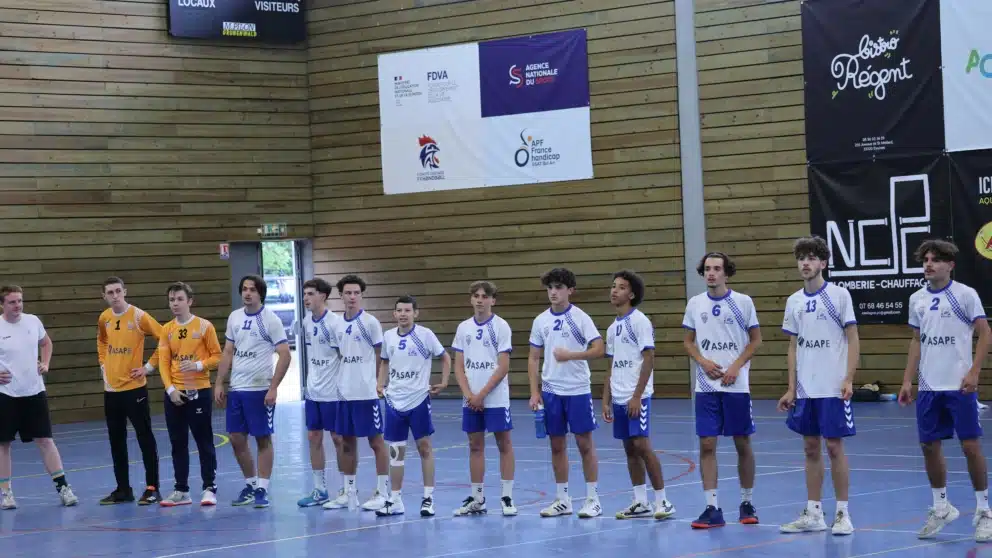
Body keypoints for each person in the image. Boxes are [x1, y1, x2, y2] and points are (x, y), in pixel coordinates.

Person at [898, 239, 992, 541]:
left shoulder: (965, 295)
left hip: (959, 386)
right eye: (925, 259)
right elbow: (917, 341)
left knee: (970, 446)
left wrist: (974, 371)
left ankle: (984, 511)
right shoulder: (916, 299)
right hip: (929, 387)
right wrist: (907, 380)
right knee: (929, 446)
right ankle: (941, 507)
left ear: (950, 265)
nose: (929, 264)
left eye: (936, 260)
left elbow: (985, 333)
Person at [777, 235, 858, 536]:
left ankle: (843, 514)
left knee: (834, 446)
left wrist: (848, 378)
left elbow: (853, 338)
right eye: (801, 258)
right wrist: (791, 387)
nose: (805, 263)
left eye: (811, 258)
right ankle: (814, 513)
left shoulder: (839, 296)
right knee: (810, 447)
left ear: (823, 263)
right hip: (806, 389)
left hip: (832, 387)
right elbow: (792, 347)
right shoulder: (794, 301)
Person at [682, 252, 762, 528]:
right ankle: (712, 507)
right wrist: (703, 362)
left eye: (717, 269)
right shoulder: (695, 303)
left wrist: (736, 367)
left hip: (736, 385)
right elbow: (688, 341)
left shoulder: (743, 302)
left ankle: (747, 501)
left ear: (727, 273)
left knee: (742, 442)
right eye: (707, 269)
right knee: (707, 443)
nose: (711, 273)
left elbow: (755, 340)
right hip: (706, 385)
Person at [527, 267, 604, 518]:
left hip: (577, 390)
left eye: (558, 287)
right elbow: (533, 358)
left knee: (584, 444)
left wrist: (571, 355)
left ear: (570, 290)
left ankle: (593, 499)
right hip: (551, 392)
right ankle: (563, 500)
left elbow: (599, 348)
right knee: (556, 446)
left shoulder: (580, 318)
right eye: (550, 288)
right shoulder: (540, 321)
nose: (553, 292)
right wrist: (534, 392)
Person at [603, 270, 675, 520]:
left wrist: (637, 395)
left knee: (642, 445)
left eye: (621, 287)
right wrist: (606, 399)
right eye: (613, 286)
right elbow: (611, 366)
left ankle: (663, 501)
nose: (614, 290)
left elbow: (649, 358)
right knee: (629, 449)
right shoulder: (612, 328)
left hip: (637, 396)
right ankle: (640, 501)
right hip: (619, 395)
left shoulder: (640, 321)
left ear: (632, 294)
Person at [214, 274, 291, 508]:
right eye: (245, 289)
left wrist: (273, 387)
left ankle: (262, 489)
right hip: (237, 388)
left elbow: (285, 355)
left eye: (252, 290)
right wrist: (219, 382)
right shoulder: (235, 317)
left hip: (259, 389)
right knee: (236, 438)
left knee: (262, 438)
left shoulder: (271, 320)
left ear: (261, 294)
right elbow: (228, 351)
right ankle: (250, 483)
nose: (247, 293)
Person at [0, 285, 78, 510]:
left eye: (20, 301)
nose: (18, 305)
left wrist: (45, 363)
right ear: (2, 304)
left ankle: (63, 488)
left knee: (45, 440)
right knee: (3, 444)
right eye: (12, 302)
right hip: (6, 394)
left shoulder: (33, 321)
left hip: (34, 392)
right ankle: (6, 493)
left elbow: (46, 343)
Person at [375, 295, 451, 517]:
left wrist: (444, 381)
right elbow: (385, 362)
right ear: (394, 313)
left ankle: (428, 498)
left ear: (415, 313)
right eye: (399, 310)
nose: (403, 314)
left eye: (407, 310)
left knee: (424, 448)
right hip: (394, 401)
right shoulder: (388, 336)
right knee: (396, 451)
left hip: (418, 399)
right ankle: (395, 500)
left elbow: (445, 357)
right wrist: (380, 383)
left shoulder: (425, 335)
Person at [322, 274, 390, 512]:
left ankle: (382, 492)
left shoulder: (370, 323)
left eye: (356, 293)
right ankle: (349, 492)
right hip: (344, 394)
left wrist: (378, 383)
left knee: (376, 442)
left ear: (361, 295)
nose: (352, 297)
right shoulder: (335, 325)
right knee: (346, 443)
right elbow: (339, 356)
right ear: (341, 295)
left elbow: (382, 356)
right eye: (348, 293)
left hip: (366, 394)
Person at [451, 280, 517, 517]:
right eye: (476, 296)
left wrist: (482, 395)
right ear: (471, 299)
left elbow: (503, 367)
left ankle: (507, 497)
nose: (480, 300)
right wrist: (469, 395)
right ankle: (477, 498)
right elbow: (459, 366)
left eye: (484, 296)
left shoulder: (501, 326)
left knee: (504, 444)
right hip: (471, 398)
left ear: (492, 300)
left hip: (495, 397)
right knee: (475, 446)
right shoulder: (463, 328)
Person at [97, 276, 163, 506]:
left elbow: (165, 338)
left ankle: (152, 488)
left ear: (125, 291)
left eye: (118, 291)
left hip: (134, 389)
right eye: (110, 292)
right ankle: (123, 489)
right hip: (111, 390)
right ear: (104, 296)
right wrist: (103, 364)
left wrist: (148, 367)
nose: (115, 296)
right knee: (116, 441)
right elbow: (102, 341)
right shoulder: (104, 318)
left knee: (145, 437)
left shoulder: (138, 316)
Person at [157, 282, 223, 507]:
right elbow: (163, 363)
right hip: (175, 394)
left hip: (199, 391)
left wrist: (197, 365)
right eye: (171, 300)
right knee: (178, 443)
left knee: (204, 441)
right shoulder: (167, 329)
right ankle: (181, 490)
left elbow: (217, 356)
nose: (175, 304)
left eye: (179, 299)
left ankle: (209, 487)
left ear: (190, 301)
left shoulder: (204, 327)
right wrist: (170, 389)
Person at [296, 278, 346, 508]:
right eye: (305, 294)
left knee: (338, 439)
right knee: (313, 437)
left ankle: (347, 488)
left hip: (333, 393)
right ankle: (320, 490)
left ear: (323, 296)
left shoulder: (335, 323)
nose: (306, 298)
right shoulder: (306, 322)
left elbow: (344, 357)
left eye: (310, 294)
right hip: (313, 392)